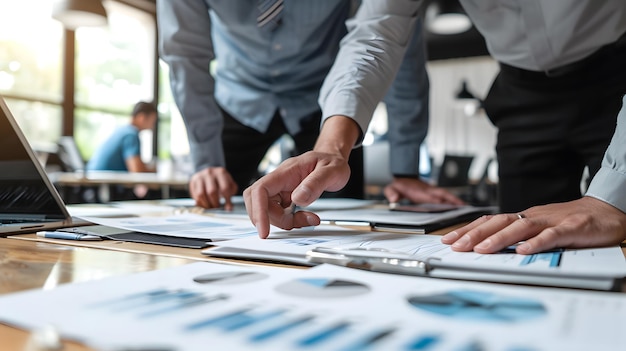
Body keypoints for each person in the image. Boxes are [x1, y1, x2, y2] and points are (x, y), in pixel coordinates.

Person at [244, 0, 626, 238]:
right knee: (515, 242)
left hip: (615, 73)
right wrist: (330, 146)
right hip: (521, 90)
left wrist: (612, 198)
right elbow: (377, 32)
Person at [157, 0, 463, 210]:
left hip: (328, 104)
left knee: (344, 216)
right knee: (209, 202)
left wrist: (405, 168)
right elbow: (185, 54)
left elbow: (392, 36)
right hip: (239, 98)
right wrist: (206, 160)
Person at [442, 95, 626, 254]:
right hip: (521, 95)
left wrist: (610, 199)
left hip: (608, 89)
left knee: (606, 228)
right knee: (518, 237)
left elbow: (609, 209)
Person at [87, 101, 158, 173]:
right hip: (102, 181)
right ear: (141, 117)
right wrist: (156, 171)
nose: (153, 126)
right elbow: (137, 172)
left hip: (94, 176)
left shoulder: (122, 130)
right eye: (152, 121)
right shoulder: (131, 135)